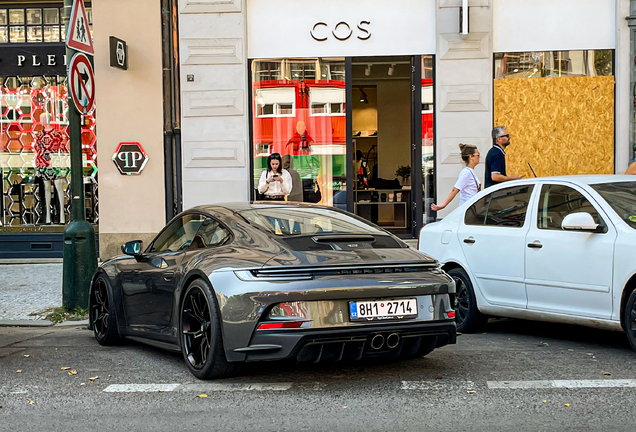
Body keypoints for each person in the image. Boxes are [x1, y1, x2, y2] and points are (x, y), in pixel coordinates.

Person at [431, 144, 481, 211]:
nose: (479, 157)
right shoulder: (466, 173)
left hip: (471, 207)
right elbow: (455, 189)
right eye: (477, 155)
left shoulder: (470, 172)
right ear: (471, 157)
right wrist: (443, 205)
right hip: (468, 208)